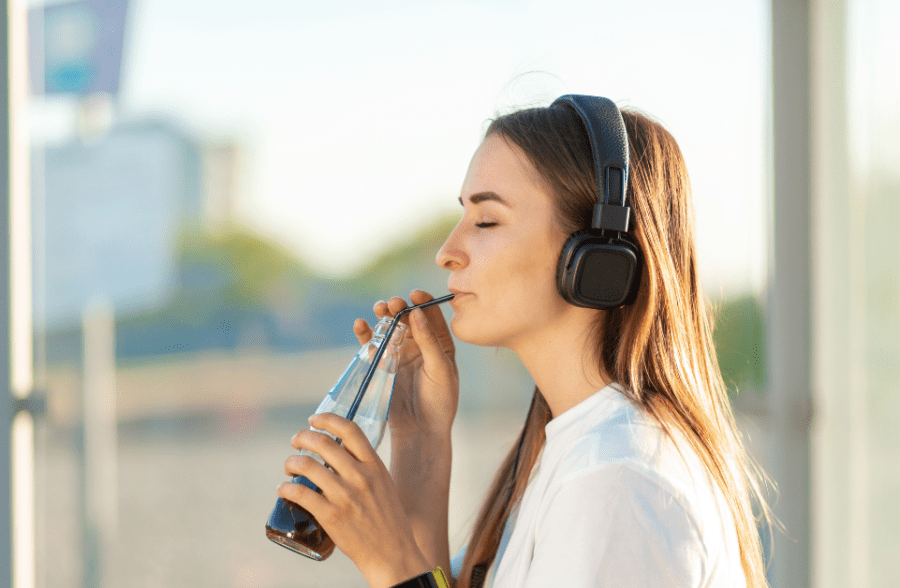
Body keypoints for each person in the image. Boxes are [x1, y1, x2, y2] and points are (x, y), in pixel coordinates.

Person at [276, 95, 773, 588]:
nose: (448, 252)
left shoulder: (618, 481)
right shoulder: (574, 450)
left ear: (595, 259)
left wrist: (392, 567)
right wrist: (420, 437)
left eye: (486, 221)